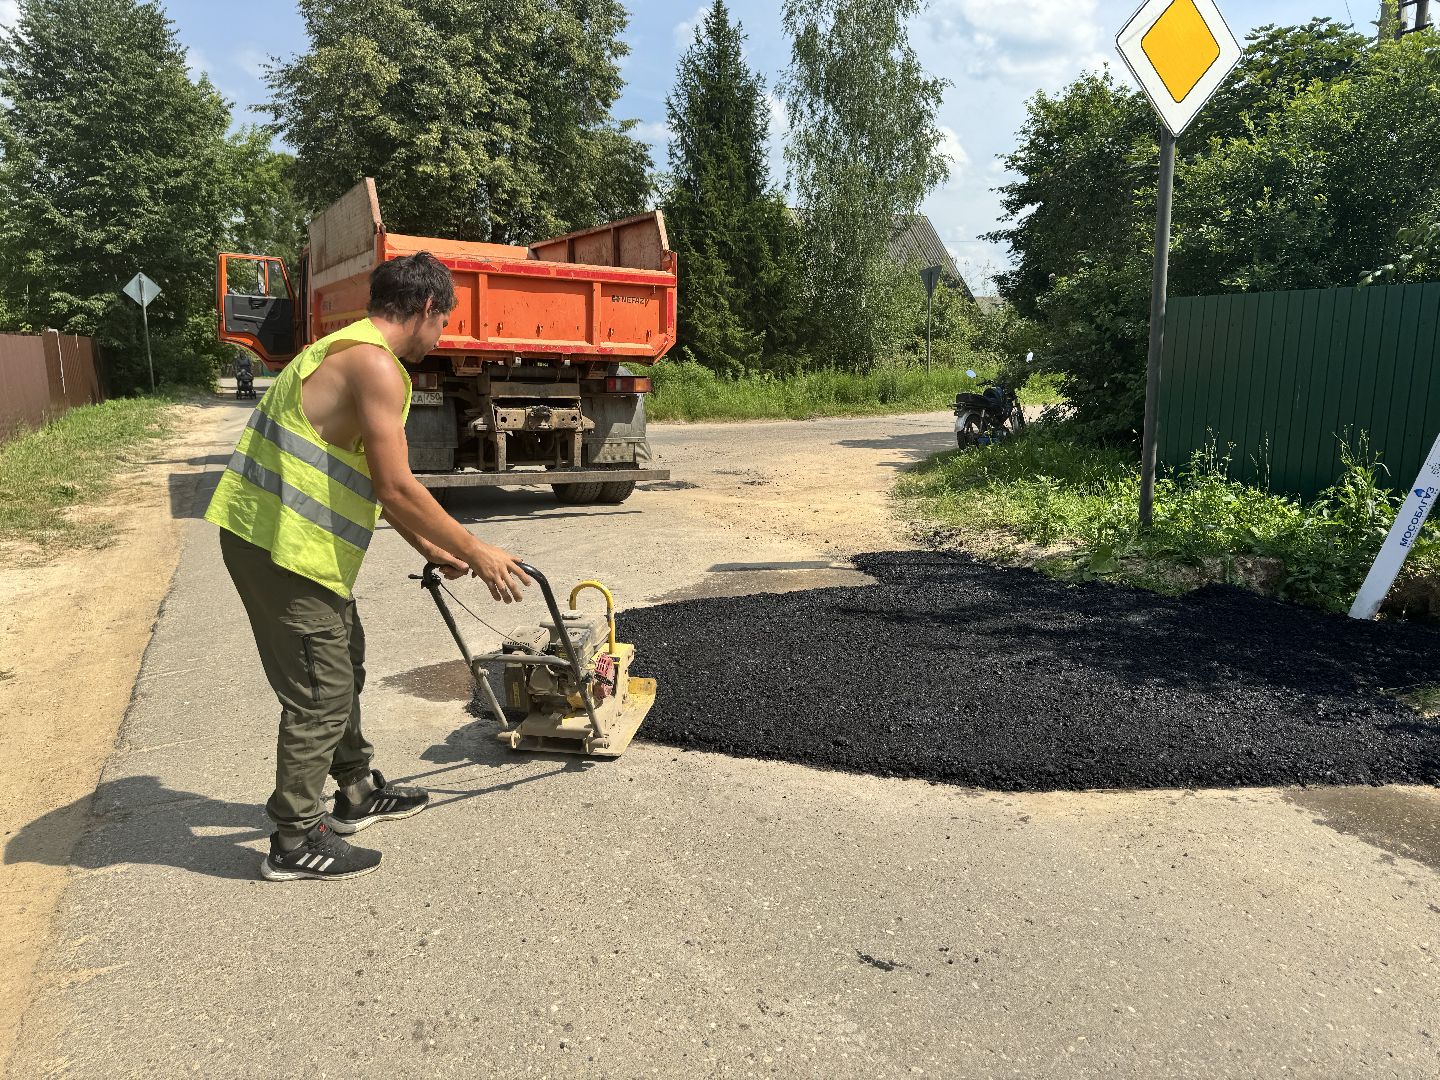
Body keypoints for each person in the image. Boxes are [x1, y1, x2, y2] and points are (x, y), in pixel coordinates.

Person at [205, 252, 530, 882]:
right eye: (444, 323)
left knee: (343, 662)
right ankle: (295, 839)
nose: (440, 339)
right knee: (320, 693)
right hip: (278, 547)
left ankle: (355, 791)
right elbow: (398, 485)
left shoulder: (340, 346)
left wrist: (427, 547)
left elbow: (368, 482)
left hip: (297, 547)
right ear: (428, 308)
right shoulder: (375, 366)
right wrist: (478, 551)